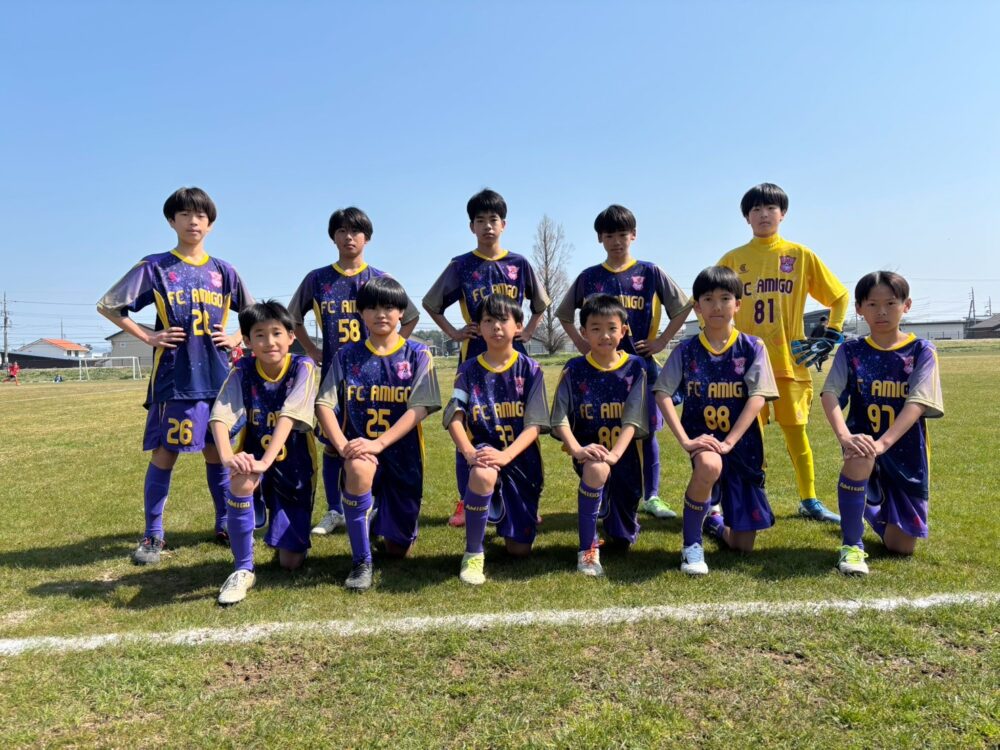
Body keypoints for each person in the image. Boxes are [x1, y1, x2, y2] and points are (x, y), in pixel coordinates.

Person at [97, 187, 252, 564]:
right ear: (171, 221)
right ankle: (153, 535)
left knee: (218, 453)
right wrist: (149, 336)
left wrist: (236, 337)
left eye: (200, 216)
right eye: (184, 214)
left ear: (210, 224)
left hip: (218, 379)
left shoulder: (224, 271)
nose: (193, 221)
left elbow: (253, 315)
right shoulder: (155, 266)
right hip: (174, 379)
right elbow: (109, 306)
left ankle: (224, 522)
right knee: (165, 453)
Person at [717, 183, 849, 524]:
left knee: (797, 435)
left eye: (771, 208)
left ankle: (809, 500)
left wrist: (832, 332)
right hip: (746, 368)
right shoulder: (732, 260)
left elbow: (839, 296)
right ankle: (750, 499)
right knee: (749, 439)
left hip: (790, 365)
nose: (764, 214)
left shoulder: (800, 255)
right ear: (746, 217)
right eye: (756, 209)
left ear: (783, 213)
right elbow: (705, 300)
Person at [288, 207, 420, 538]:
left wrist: (395, 350)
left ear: (367, 238)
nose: (349, 237)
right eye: (342, 231)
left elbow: (410, 317)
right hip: (336, 375)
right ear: (333, 237)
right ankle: (335, 510)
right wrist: (312, 349)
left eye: (356, 231)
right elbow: (293, 318)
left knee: (375, 441)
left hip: (375, 379)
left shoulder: (380, 279)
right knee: (334, 444)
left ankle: (369, 503)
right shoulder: (317, 279)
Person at [423, 188, 550, 528]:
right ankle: (468, 499)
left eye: (493, 220)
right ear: (472, 227)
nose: (487, 226)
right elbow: (431, 304)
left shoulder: (519, 264)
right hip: (475, 356)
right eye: (480, 221)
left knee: (518, 421)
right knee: (468, 422)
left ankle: (525, 497)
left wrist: (528, 329)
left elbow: (540, 304)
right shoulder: (461, 265)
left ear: (504, 224)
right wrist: (453, 333)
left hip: (513, 356)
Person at [556, 204, 689, 520]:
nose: (616, 241)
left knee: (647, 431)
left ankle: (652, 496)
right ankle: (601, 492)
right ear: (600, 238)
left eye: (622, 234)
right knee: (599, 427)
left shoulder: (650, 272)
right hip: (599, 371)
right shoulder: (589, 277)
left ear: (634, 235)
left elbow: (683, 308)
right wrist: (580, 342)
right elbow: (564, 314)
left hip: (640, 368)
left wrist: (660, 341)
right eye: (609, 235)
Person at [316, 276, 441, 592]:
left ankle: (373, 520)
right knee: (358, 468)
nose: (380, 313)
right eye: (371, 307)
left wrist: (380, 442)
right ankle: (361, 561)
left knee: (399, 552)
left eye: (388, 307)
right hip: (361, 451)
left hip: (404, 455)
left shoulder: (418, 354)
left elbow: (420, 408)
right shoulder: (347, 356)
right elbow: (323, 404)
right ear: (361, 313)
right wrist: (343, 446)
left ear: (401, 312)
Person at [653, 267, 779, 575]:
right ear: (697, 307)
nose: (717, 306)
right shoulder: (686, 350)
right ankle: (691, 546)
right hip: (704, 440)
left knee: (742, 546)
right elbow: (662, 392)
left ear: (738, 304)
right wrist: (686, 440)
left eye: (725, 298)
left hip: (743, 444)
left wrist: (730, 441)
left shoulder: (752, 346)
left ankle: (714, 523)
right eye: (708, 299)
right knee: (709, 465)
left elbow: (757, 397)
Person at [820, 271, 943, 576]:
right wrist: (845, 437)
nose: (882, 312)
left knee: (901, 547)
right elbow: (830, 393)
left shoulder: (922, 350)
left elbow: (917, 402)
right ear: (859, 309)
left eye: (890, 303)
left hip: (905, 450)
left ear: (906, 305)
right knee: (860, 454)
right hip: (863, 444)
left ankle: (864, 507)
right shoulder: (851, 350)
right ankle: (851, 545)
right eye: (872, 304)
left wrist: (884, 443)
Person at [209, 300, 319, 605]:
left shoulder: (303, 366)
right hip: (254, 455)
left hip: (295, 462)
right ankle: (243, 568)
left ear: (291, 337)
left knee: (290, 563)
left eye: (276, 333)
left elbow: (289, 415)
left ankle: (288, 536)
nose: (269, 341)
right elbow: (220, 416)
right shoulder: (243, 369)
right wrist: (229, 458)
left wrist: (266, 462)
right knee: (241, 476)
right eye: (260, 335)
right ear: (247, 341)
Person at [442, 294, 550, 585]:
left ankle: (507, 513)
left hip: (520, 459)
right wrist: (469, 452)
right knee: (483, 471)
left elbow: (535, 425)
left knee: (519, 550)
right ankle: (473, 553)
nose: (495, 327)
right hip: (483, 454)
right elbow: (454, 416)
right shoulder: (468, 369)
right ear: (479, 327)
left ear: (518, 326)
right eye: (488, 321)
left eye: (503, 320)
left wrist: (506, 455)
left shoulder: (531, 369)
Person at [550, 294, 648, 577]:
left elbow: (633, 418)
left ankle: (616, 520)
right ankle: (587, 549)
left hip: (625, 455)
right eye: (596, 328)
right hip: (589, 453)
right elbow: (558, 417)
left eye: (611, 328)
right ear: (584, 332)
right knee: (596, 469)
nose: (604, 335)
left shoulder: (636, 367)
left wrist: (615, 454)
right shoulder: (574, 369)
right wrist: (577, 449)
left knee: (622, 538)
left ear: (623, 331)